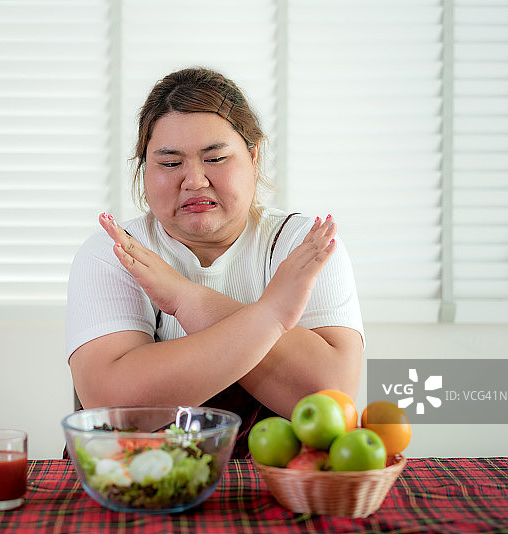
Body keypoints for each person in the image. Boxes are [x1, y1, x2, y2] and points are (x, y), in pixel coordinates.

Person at [66, 67, 364, 458]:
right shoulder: (115, 252)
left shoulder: (302, 245)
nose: (195, 180)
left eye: (216, 158)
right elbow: (114, 409)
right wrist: (271, 315)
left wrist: (185, 298)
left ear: (253, 156)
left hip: (274, 491)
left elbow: (330, 394)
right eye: (170, 163)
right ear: (144, 170)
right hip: (136, 486)